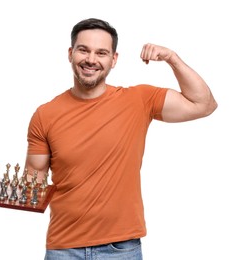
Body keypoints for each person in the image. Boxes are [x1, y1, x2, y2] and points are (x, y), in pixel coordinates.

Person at [24, 18, 217, 260]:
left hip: (121, 249)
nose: (91, 60)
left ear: (113, 60)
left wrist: (172, 58)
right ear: (71, 53)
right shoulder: (45, 114)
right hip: (64, 248)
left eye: (101, 52)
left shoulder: (139, 100)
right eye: (83, 50)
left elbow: (204, 104)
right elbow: (34, 178)